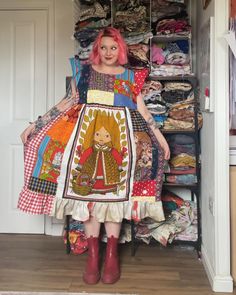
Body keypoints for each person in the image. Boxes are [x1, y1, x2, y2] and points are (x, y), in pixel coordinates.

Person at [19, 27, 170, 285]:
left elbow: (143, 111)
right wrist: (37, 123)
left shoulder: (131, 76)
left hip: (121, 143)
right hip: (86, 141)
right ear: (97, 49)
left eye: (114, 47)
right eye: (104, 47)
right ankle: (93, 256)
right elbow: (66, 102)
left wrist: (160, 138)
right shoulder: (84, 72)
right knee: (88, 200)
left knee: (114, 201)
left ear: (120, 49)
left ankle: (111, 255)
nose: (109, 52)